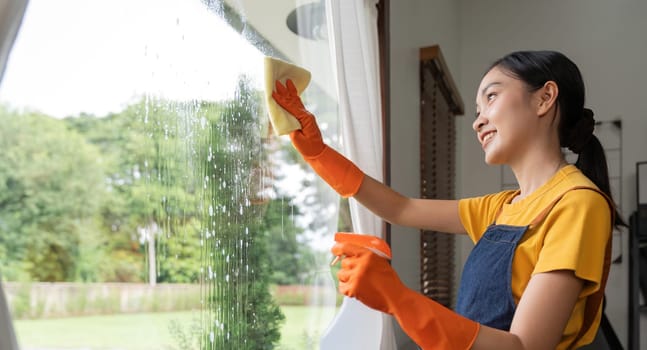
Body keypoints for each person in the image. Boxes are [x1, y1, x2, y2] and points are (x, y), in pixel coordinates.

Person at [272, 50, 625, 350]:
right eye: (476, 109)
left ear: (545, 98)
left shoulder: (578, 204)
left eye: (491, 97)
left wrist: (399, 298)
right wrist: (318, 153)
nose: (478, 121)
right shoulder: (502, 207)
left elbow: (523, 345)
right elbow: (401, 208)